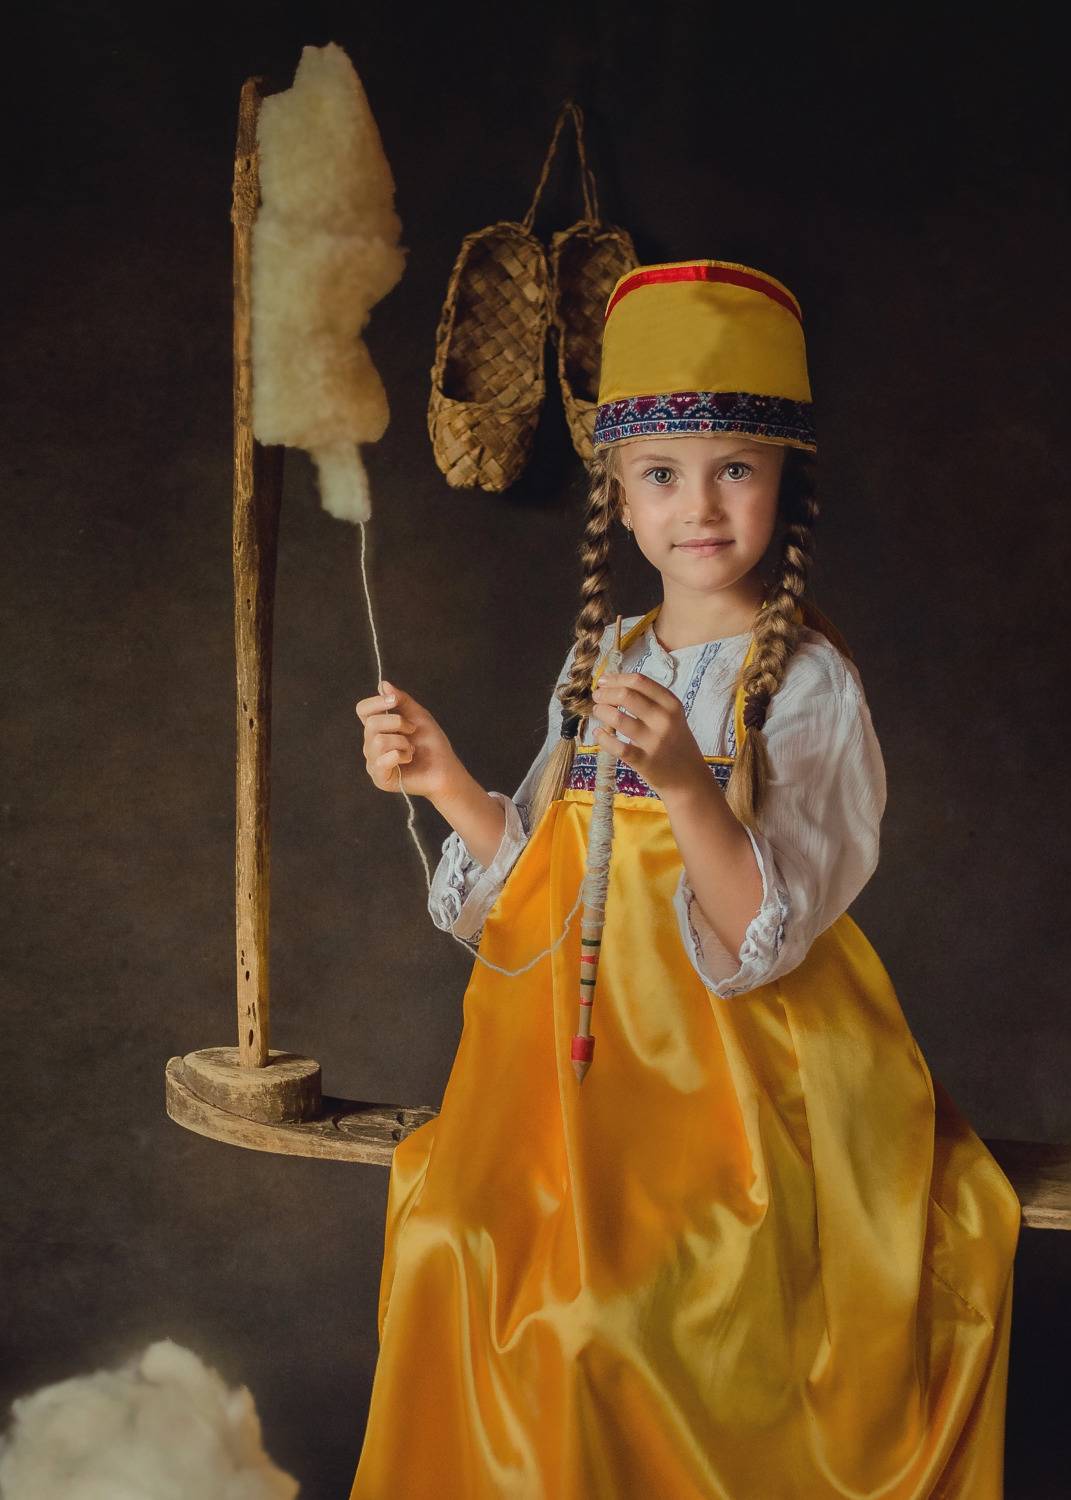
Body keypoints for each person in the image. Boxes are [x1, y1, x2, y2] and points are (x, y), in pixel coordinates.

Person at [349, 260, 1021, 1499]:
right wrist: (445, 783)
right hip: (582, 1080)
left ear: (785, 487)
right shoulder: (601, 657)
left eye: (735, 471)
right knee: (448, 1237)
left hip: (745, 1094)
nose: (697, 507)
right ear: (617, 494)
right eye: (661, 474)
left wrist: (691, 787)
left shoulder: (807, 686)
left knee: (602, 1319)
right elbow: (545, 886)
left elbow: (764, 939)